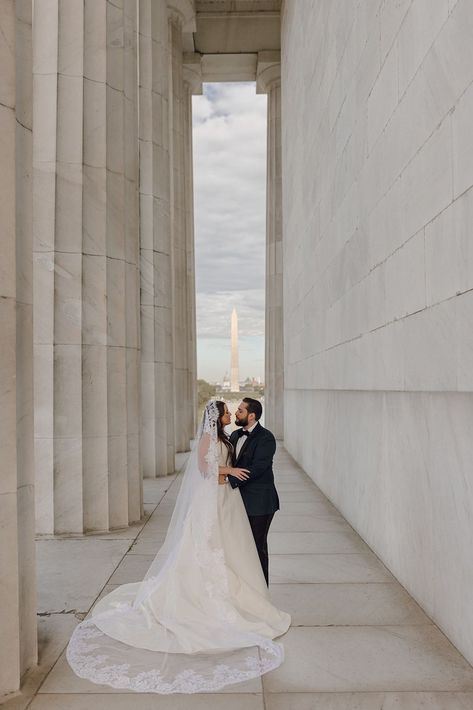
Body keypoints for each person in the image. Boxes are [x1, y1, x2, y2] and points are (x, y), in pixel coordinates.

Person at [66, 399, 290, 694]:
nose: (231, 414)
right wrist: (229, 472)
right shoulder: (220, 436)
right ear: (217, 416)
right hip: (214, 499)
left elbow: (253, 467)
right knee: (206, 549)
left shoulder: (237, 436)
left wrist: (229, 473)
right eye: (227, 411)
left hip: (233, 501)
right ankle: (215, 598)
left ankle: (254, 596)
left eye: (235, 411)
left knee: (240, 549)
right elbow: (204, 468)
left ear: (251, 414)